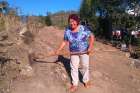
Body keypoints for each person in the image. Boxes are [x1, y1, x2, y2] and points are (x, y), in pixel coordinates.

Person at [56, 14, 94, 92]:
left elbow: (92, 37)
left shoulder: (83, 28)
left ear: (77, 22)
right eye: (70, 22)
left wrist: (90, 47)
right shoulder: (67, 30)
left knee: (85, 66)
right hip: (73, 52)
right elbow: (65, 41)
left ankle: (86, 80)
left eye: (74, 22)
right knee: (74, 68)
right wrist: (59, 50)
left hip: (84, 51)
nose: (72, 24)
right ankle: (74, 84)